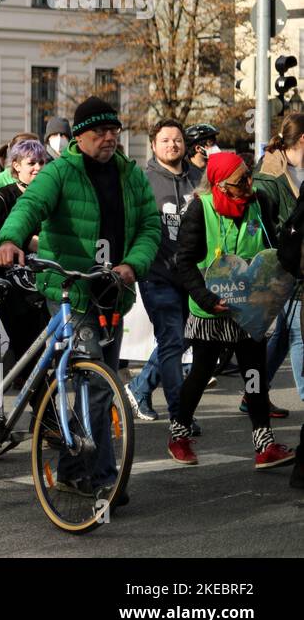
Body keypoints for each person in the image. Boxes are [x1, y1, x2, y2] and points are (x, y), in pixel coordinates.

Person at [0, 96, 160, 507]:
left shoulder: (130, 175)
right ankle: (103, 477)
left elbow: (150, 225)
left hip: (111, 292)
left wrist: (132, 264)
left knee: (98, 384)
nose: (109, 138)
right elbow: (30, 205)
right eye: (100, 132)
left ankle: (71, 472)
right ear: (80, 136)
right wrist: (11, 239)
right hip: (70, 290)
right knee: (96, 383)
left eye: (114, 131)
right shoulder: (61, 172)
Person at [166, 153, 296, 470]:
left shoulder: (259, 203)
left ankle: (264, 444)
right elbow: (183, 262)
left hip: (248, 305)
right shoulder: (200, 208)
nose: (249, 185)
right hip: (210, 306)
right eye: (241, 182)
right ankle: (179, 434)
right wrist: (207, 298)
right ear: (220, 185)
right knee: (202, 370)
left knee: (254, 371)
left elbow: (272, 245)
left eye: (249, 176)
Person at [125, 119, 204, 424]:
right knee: (172, 339)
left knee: (183, 339)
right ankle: (180, 415)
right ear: (154, 145)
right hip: (158, 274)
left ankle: (140, 387)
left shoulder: (198, 178)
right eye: (166, 140)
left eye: (178, 140)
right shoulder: (142, 180)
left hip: (192, 275)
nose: (173, 144)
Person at [0, 139, 50, 391]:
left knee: (42, 347)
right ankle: (47, 415)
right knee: (31, 345)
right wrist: (28, 242)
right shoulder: (1, 198)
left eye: (42, 162)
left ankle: (23, 381)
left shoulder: (49, 198)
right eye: (32, 163)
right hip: (10, 284)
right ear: (16, 167)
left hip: (43, 281)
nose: (38, 168)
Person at [255, 113, 304, 417]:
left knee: (285, 336)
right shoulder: (269, 176)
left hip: (296, 265)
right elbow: (264, 228)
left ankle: (254, 393)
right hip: (288, 267)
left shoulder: (298, 170)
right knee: (300, 335)